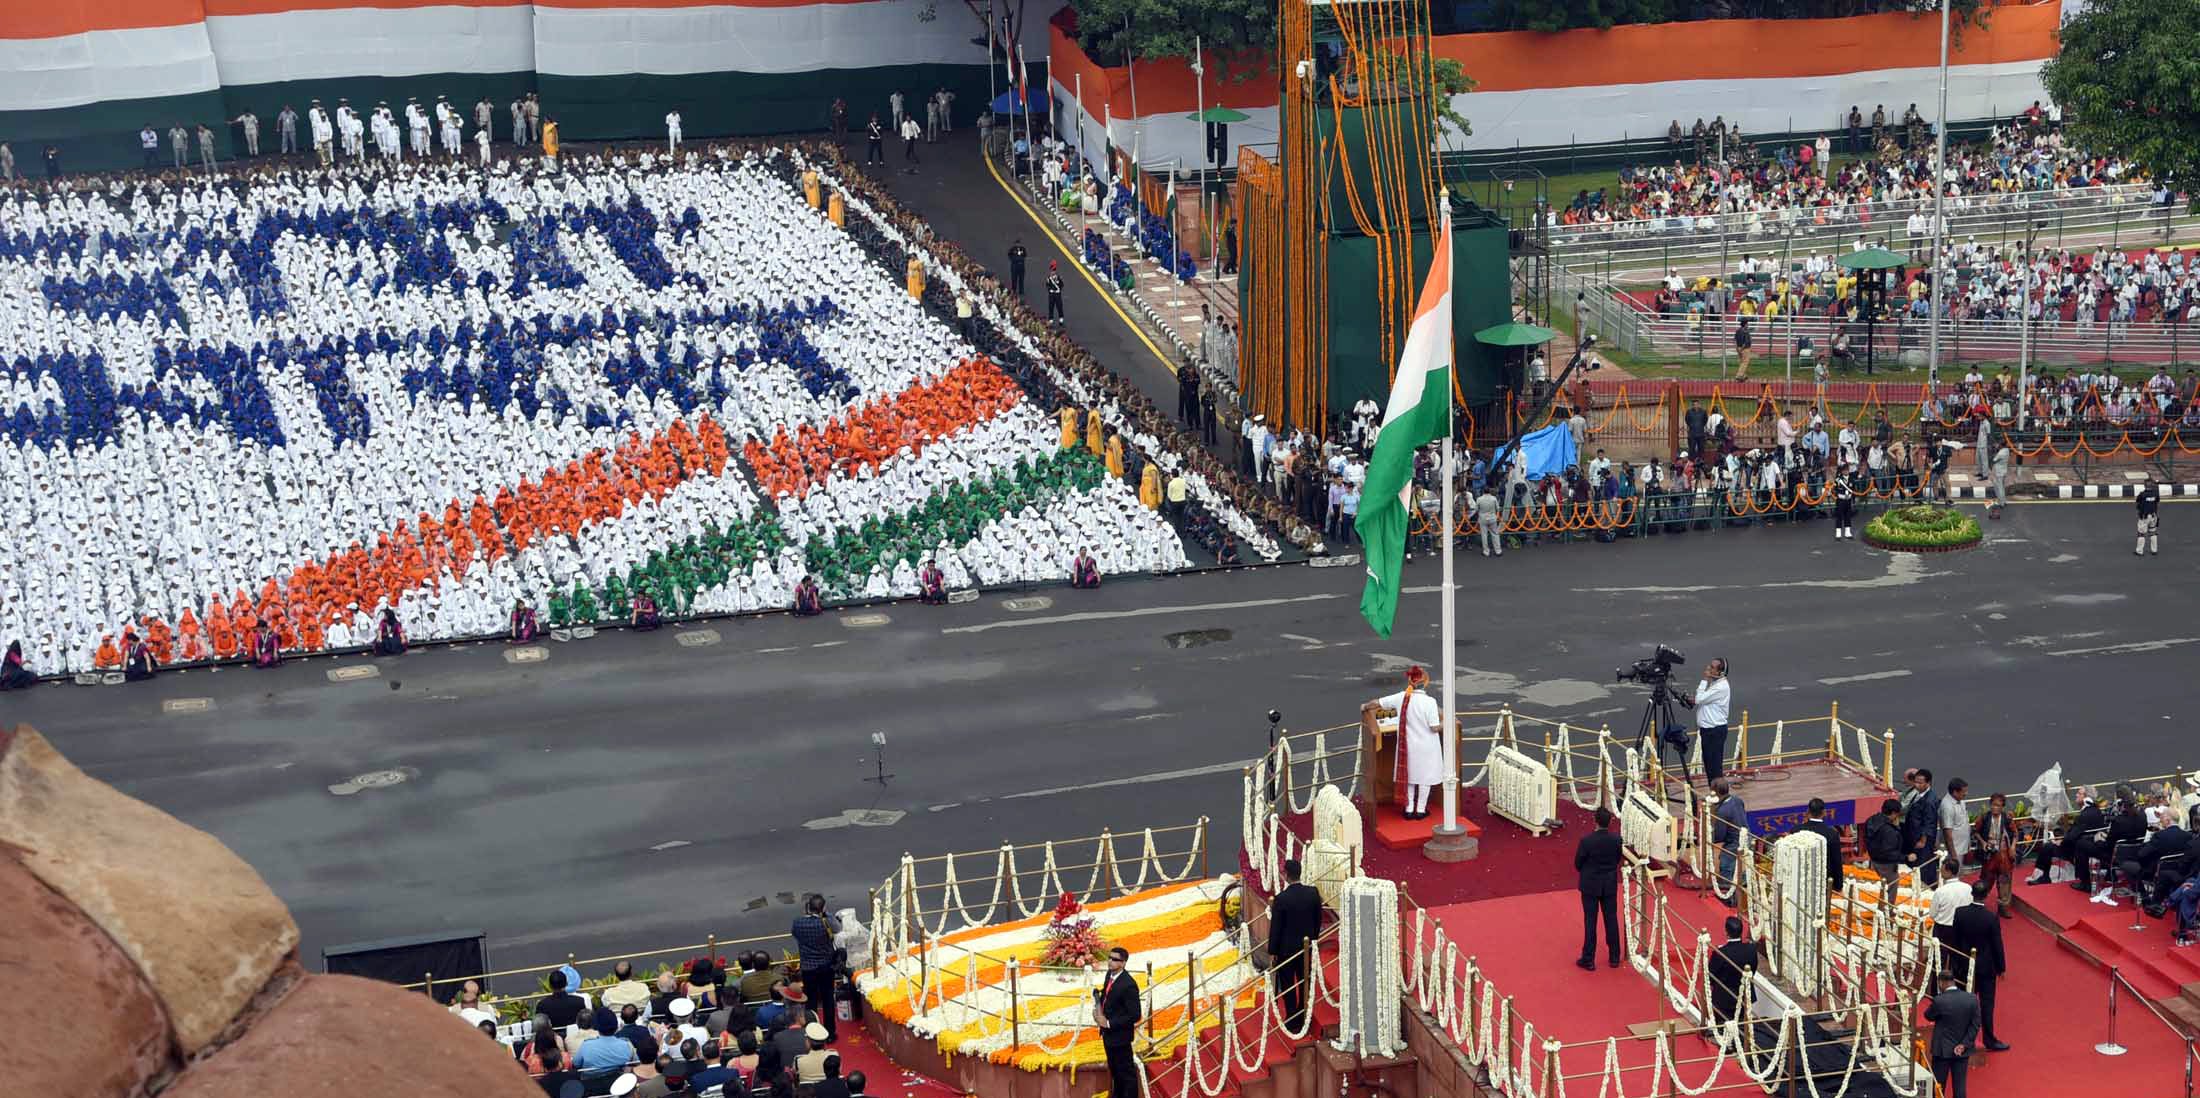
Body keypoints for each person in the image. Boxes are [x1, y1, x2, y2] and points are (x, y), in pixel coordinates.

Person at [1364, 664, 1445, 819]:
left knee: (1409, 777)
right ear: (1425, 682)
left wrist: (1364, 707)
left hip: (1408, 746)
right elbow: (1434, 728)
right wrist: (1445, 723)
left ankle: (1408, 809)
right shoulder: (1430, 702)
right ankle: (1420, 810)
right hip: (1427, 747)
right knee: (1424, 779)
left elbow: (1376, 703)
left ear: (1410, 682)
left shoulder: (1401, 697)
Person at [1949, 883, 2010, 1052]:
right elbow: (1997, 944)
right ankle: (1989, 1039)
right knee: (1987, 1005)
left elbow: (1955, 939)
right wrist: (2001, 967)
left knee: (1963, 1003)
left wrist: (1956, 962)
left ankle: (1960, 1038)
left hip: (1963, 964)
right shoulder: (1990, 918)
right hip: (1985, 967)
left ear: (1972, 894)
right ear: (1985, 895)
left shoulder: (1960, 913)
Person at [1267, 858, 1324, 1030]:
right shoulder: (1313, 893)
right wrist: (1313, 939)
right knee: (1304, 979)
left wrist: (1273, 951)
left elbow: (1276, 928)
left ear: (1286, 875)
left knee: (1288, 984)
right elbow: (1317, 920)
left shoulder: (1281, 899)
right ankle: (1303, 1010)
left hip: (1286, 951)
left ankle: (1292, 1017)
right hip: (1306, 948)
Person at [2028, 785, 2105, 893]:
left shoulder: (2084, 815)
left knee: (2047, 847)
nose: (2076, 795)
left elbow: (2071, 837)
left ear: (2086, 797)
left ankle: (2045, 877)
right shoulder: (2097, 811)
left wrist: (2059, 842)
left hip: (2076, 849)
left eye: (2079, 793)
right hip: (2090, 845)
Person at [1576, 806, 1624, 970]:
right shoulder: (1617, 840)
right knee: (1611, 919)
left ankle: (1588, 958)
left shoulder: (1586, 841)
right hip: (1609, 884)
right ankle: (1614, 957)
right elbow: (1617, 858)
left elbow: (1578, 863)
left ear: (1595, 821)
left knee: (1591, 921)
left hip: (1590, 885)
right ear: (1609, 822)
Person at [791, 894, 840, 1042]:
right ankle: (830, 1033)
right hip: (826, 966)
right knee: (827, 999)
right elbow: (838, 928)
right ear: (823, 908)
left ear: (807, 908)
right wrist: (827, 913)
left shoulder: (797, 923)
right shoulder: (825, 923)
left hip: (808, 968)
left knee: (810, 1001)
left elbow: (795, 935)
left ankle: (812, 1032)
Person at [1094, 946, 1142, 1098]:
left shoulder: (1129, 985)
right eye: (1109, 957)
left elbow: (1135, 1015)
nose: (1110, 961)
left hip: (1120, 1037)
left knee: (1126, 1074)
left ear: (1123, 963)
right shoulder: (1110, 974)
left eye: (1115, 959)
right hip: (1108, 1036)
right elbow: (1106, 995)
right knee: (1115, 1072)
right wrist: (1098, 1010)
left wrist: (1108, 1023)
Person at [1924, 970, 1979, 1098]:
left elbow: (1928, 1015)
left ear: (1941, 983)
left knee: (1938, 1087)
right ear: (1953, 981)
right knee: (1960, 1088)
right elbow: (1975, 1025)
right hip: (1962, 1050)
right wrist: (1964, 1044)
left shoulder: (1940, 1001)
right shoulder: (1971, 999)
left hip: (1942, 1051)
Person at [1706, 915, 1758, 1027]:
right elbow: (1753, 970)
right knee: (1743, 1025)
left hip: (1724, 999)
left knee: (1723, 1027)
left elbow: (1711, 976)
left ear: (1726, 932)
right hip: (1745, 994)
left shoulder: (1720, 953)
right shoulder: (1751, 949)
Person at [1688, 658, 1732, 784]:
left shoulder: (1720, 687)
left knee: (1714, 767)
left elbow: (1699, 699)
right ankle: (1713, 792)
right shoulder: (1715, 684)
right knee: (1708, 764)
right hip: (1708, 730)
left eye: (1712, 667)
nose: (1708, 669)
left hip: (1714, 731)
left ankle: (1718, 795)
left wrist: (1704, 680)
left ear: (1721, 672)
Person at [1903, 768, 1945, 887]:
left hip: (1923, 839)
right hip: (1914, 835)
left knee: (1924, 863)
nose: (1917, 785)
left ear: (1928, 783)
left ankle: (1927, 886)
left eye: (1920, 783)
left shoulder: (1930, 801)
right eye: (1916, 782)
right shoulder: (1918, 794)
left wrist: (1922, 840)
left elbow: (1929, 823)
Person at [1711, 778, 1747, 904]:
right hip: (1746, 838)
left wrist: (1708, 835)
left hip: (1734, 844)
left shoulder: (1722, 811)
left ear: (1715, 792)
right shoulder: (1738, 800)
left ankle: (1729, 900)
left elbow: (1720, 836)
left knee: (1726, 867)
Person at [1832, 463, 1859, 540]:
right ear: (1842, 471)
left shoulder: (1851, 479)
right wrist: (1838, 495)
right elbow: (1834, 490)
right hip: (1840, 500)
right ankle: (1838, 534)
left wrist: (1853, 499)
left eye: (1847, 470)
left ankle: (1848, 532)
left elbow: (1853, 490)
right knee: (1839, 516)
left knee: (1848, 516)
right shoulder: (1838, 480)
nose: (1846, 471)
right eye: (1844, 470)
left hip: (1848, 500)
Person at [2137, 477, 2161, 555]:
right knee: (2153, 532)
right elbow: (2157, 502)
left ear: (2144, 485)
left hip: (2144, 517)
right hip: (2153, 516)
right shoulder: (2155, 494)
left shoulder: (2142, 495)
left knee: (2141, 534)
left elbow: (2138, 503)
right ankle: (2154, 550)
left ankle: (2139, 551)